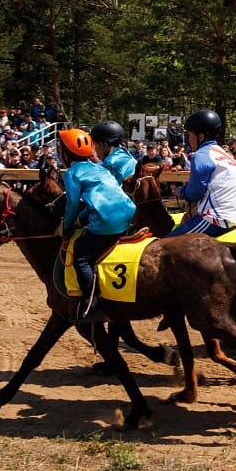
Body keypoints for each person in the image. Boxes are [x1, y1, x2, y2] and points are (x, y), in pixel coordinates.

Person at [58, 128, 136, 325]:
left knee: (81, 255)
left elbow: (73, 204)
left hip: (107, 222)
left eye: (60, 149)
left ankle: (92, 304)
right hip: (129, 215)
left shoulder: (72, 173)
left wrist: (66, 228)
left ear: (66, 153)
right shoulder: (100, 167)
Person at [168, 109, 236, 237]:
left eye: (190, 135)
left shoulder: (200, 155)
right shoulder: (224, 155)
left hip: (216, 219)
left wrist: (181, 191)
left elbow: (194, 192)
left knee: (165, 246)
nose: (188, 140)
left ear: (201, 136)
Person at [90, 120, 137, 188]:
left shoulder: (110, 163)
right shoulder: (125, 153)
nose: (94, 149)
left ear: (104, 144)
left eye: (95, 145)